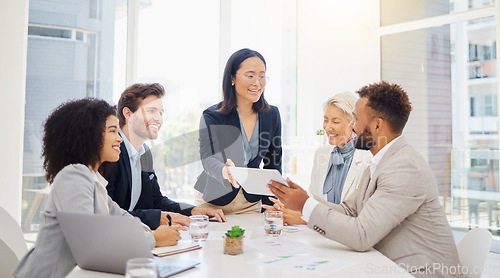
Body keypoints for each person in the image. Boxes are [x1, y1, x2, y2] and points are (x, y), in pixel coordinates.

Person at [268, 81, 462, 277]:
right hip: (388, 266)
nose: (352, 126)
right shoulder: (381, 160)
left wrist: (305, 205)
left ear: (377, 125)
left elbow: (362, 235)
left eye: (355, 119)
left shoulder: (404, 167)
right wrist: (303, 201)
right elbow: (349, 210)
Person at [13, 98, 184, 278]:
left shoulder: (93, 180)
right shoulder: (73, 176)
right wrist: (154, 239)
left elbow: (127, 221)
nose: (119, 138)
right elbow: (89, 244)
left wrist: (146, 234)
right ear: (87, 135)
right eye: (112, 131)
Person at [106, 83, 225, 230]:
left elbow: (156, 201)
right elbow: (107, 213)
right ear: (128, 114)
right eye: (151, 111)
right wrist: (158, 217)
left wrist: (193, 211)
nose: (158, 118)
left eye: (160, 113)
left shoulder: (145, 154)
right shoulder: (111, 151)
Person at [194, 48, 282, 214]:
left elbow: (273, 163)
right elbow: (207, 158)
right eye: (250, 76)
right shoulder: (212, 116)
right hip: (213, 201)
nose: (257, 82)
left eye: (262, 76)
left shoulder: (272, 114)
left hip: (251, 201)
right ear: (232, 78)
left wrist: (272, 203)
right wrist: (224, 171)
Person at [263, 92, 372, 225]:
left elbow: (357, 216)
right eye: (325, 120)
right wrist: (288, 209)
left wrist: (303, 219)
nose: (327, 127)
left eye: (335, 121)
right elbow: (314, 200)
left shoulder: (368, 160)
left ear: (353, 123)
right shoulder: (323, 153)